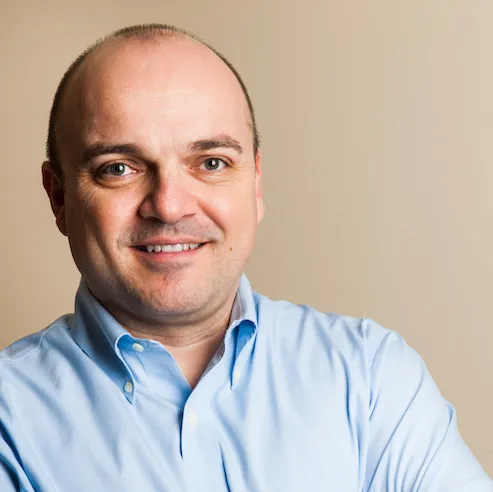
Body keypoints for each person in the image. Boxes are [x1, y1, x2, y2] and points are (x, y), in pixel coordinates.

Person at [0, 23, 491, 492]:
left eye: (211, 162)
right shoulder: (9, 415)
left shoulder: (369, 376)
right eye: (119, 168)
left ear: (255, 183)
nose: (169, 205)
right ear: (58, 197)